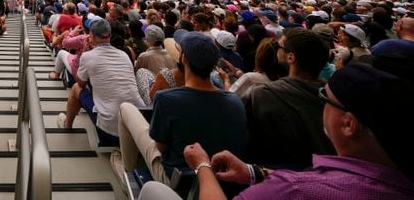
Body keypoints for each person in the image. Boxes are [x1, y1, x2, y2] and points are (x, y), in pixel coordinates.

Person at [144, 63, 414, 200]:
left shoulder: (294, 190)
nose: (319, 101)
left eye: (325, 97)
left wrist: (202, 165)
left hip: (192, 172)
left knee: (151, 191)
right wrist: (255, 172)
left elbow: (305, 187)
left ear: (349, 124)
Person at [113, 30, 247, 188]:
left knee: (125, 108)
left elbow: (161, 147)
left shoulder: (166, 98)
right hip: (221, 180)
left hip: (176, 180)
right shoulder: (235, 101)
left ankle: (129, 176)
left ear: (183, 58)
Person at [244, 28, 334, 168]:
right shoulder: (334, 97)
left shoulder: (262, 95)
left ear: (290, 57)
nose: (276, 49)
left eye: (278, 47)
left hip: (277, 178)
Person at [57, 18, 142, 144]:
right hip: (137, 129)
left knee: (76, 88)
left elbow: (81, 83)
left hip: (111, 131)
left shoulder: (88, 56)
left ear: (91, 35)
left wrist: (85, 53)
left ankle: (67, 124)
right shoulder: (124, 55)